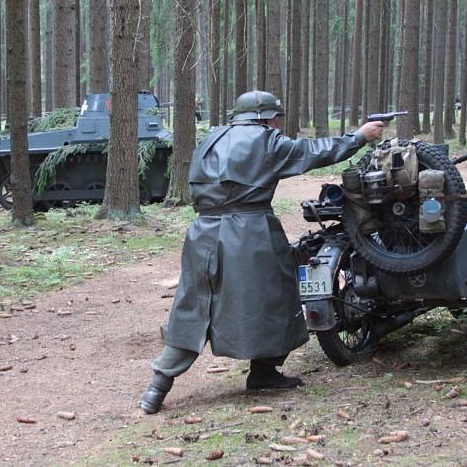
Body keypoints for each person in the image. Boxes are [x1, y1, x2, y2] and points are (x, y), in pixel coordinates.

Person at [139, 90, 385, 414]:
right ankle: (264, 372)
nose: (278, 124)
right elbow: (313, 152)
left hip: (203, 233)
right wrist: (359, 137)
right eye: (276, 118)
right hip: (249, 233)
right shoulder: (267, 140)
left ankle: (156, 389)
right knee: (279, 299)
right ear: (265, 117)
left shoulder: (211, 138)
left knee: (193, 307)